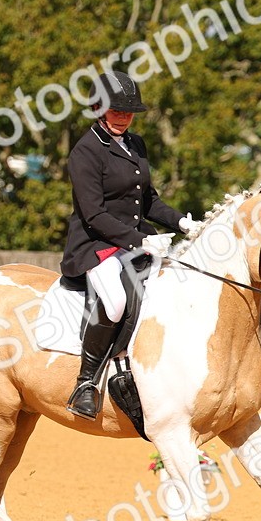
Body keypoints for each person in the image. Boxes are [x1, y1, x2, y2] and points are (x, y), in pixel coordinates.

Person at [60, 71, 201, 419]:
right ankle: (86, 382)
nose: (123, 117)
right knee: (117, 299)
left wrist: (183, 222)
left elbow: (148, 201)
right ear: (97, 108)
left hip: (137, 240)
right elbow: (93, 214)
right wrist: (141, 240)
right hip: (96, 244)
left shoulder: (135, 144)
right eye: (116, 111)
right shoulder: (85, 151)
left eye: (128, 111)